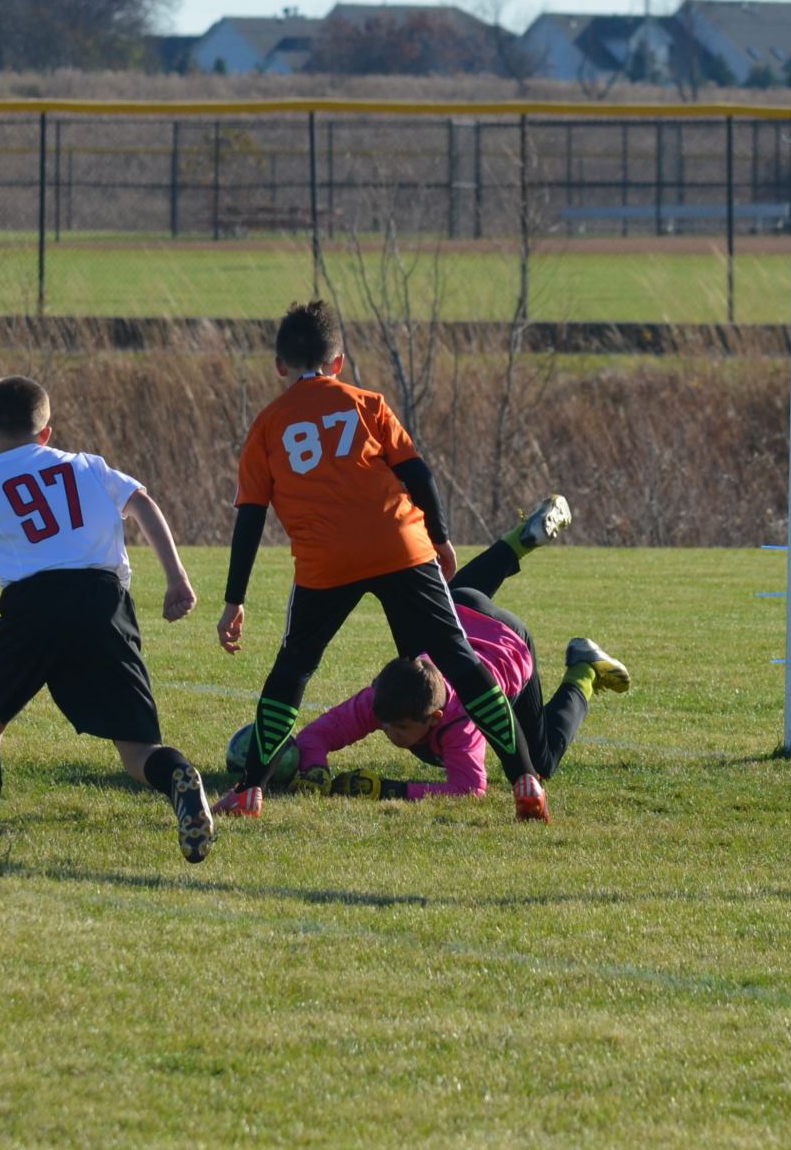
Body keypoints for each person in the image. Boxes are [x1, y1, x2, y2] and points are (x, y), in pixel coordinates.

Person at [213, 299, 543, 821]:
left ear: (279, 366)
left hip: (326, 561)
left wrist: (235, 599)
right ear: (338, 362)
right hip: (399, 543)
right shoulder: (368, 403)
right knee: (458, 658)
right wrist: (441, 538)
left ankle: (250, 789)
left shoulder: (267, 426)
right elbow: (420, 476)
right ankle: (525, 779)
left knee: (293, 669)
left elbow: (250, 519)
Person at [0, 375, 214, 866]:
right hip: (103, 601)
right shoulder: (87, 466)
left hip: (33, 606)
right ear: (47, 432)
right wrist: (177, 578)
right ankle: (178, 777)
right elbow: (142, 503)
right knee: (139, 750)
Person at [286, 498, 632, 802]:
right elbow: (315, 736)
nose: (388, 732)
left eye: (400, 728)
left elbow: (469, 789)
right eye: (384, 723)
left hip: (508, 640)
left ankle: (584, 669)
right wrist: (315, 768)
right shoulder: (385, 698)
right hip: (462, 608)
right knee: (447, 606)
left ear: (435, 718)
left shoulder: (461, 723)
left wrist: (387, 789)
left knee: (539, 764)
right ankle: (519, 539)